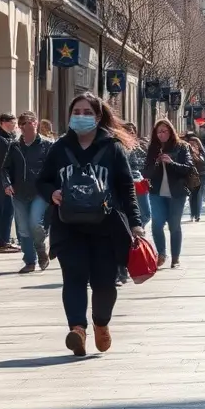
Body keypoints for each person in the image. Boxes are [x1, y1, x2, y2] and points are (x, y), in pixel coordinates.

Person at [36, 93, 143, 356]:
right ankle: (77, 330)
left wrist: (136, 224)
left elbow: (127, 188)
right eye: (76, 111)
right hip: (68, 226)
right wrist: (52, 193)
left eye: (86, 112)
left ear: (98, 117)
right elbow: (42, 181)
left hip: (106, 228)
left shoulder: (112, 148)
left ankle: (100, 323)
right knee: (73, 278)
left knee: (104, 283)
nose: (80, 116)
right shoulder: (60, 148)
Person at [2, 111, 53, 274]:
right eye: (21, 123)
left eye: (27, 122)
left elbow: (55, 169)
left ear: (35, 123)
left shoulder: (47, 145)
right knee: (23, 228)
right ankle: (30, 261)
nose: (24, 126)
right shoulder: (14, 146)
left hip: (40, 192)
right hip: (19, 193)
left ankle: (40, 250)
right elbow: (4, 169)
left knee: (35, 223)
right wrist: (7, 183)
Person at [143, 119, 194, 268]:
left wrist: (171, 162)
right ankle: (161, 254)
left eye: (164, 131)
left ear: (171, 131)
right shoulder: (152, 148)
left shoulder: (182, 147)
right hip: (156, 192)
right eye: (159, 131)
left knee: (174, 225)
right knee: (157, 224)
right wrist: (157, 163)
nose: (161, 134)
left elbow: (188, 168)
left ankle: (175, 258)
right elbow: (145, 171)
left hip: (176, 192)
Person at [0, 112, 18, 253]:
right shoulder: (0, 139)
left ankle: (4, 239)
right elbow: (3, 164)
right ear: (3, 122)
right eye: (12, 122)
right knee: (5, 210)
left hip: (6, 180)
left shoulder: (8, 137)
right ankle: (2, 241)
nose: (14, 125)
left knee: (8, 210)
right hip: (2, 181)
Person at [184, 132, 205, 222]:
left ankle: (197, 215)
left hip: (202, 176)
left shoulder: (202, 152)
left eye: (195, 143)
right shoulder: (186, 152)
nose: (193, 145)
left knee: (199, 196)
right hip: (191, 176)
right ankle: (193, 214)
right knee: (193, 196)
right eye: (191, 143)